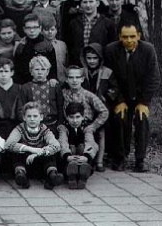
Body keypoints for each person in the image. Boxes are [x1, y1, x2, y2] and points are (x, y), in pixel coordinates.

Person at [104, 23, 160, 172]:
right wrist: (119, 100)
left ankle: (140, 160)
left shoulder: (148, 50)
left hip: (140, 96)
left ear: (139, 36)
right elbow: (110, 78)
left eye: (132, 36)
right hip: (120, 95)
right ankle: (120, 157)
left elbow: (153, 78)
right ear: (119, 37)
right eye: (125, 37)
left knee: (142, 118)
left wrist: (144, 102)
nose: (129, 40)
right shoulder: (111, 50)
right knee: (120, 117)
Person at [5, 101, 63, 190]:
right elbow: (8, 144)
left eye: (35, 116)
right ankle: (21, 176)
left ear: (41, 117)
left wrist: (38, 153)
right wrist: (31, 149)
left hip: (40, 164)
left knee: (50, 154)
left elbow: (56, 145)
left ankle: (52, 176)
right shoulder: (19, 129)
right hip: (26, 164)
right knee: (17, 153)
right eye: (29, 116)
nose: (32, 119)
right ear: (24, 117)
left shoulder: (45, 130)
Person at [61, 66, 109, 171]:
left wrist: (93, 126)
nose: (74, 80)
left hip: (85, 125)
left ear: (82, 79)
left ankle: (88, 161)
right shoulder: (63, 93)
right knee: (62, 136)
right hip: (68, 125)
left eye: (77, 77)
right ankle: (68, 159)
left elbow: (104, 111)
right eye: (71, 77)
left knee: (89, 139)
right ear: (66, 79)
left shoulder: (88, 95)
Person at [81, 43, 118, 171]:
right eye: (89, 58)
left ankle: (100, 161)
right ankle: (88, 158)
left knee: (101, 133)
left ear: (100, 58)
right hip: (85, 108)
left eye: (95, 58)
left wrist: (105, 96)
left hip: (101, 107)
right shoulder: (81, 72)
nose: (91, 61)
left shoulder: (107, 72)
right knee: (86, 133)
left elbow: (114, 89)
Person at [67, 0, 117, 65]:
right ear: (80, 4)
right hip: (79, 67)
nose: (88, 5)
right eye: (85, 2)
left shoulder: (108, 23)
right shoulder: (73, 23)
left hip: (101, 67)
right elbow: (70, 47)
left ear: (97, 3)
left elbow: (112, 48)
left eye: (91, 2)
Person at [58, 102, 98, 189]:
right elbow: (62, 141)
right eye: (71, 117)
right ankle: (71, 175)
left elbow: (90, 142)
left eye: (77, 117)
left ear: (83, 116)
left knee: (82, 147)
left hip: (83, 157)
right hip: (69, 157)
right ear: (67, 117)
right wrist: (67, 155)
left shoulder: (87, 127)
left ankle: (83, 175)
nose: (75, 121)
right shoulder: (64, 127)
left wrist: (87, 156)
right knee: (71, 147)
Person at [19, 56, 64, 133]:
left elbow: (60, 107)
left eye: (43, 69)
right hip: (32, 126)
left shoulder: (54, 86)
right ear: (31, 71)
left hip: (52, 125)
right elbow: (21, 109)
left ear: (47, 71)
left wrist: (59, 124)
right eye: (36, 69)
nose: (40, 72)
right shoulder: (25, 88)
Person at [13, 13, 58, 84]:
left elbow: (53, 67)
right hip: (25, 85)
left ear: (40, 28)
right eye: (28, 28)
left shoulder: (47, 45)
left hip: (44, 84)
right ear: (24, 29)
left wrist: (52, 78)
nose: (32, 30)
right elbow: (17, 69)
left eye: (35, 27)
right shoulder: (21, 46)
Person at [42, 16, 68, 83]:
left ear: (56, 31)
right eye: (47, 30)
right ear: (41, 31)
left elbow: (66, 63)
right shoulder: (40, 46)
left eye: (52, 29)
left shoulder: (62, 45)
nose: (50, 32)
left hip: (62, 79)